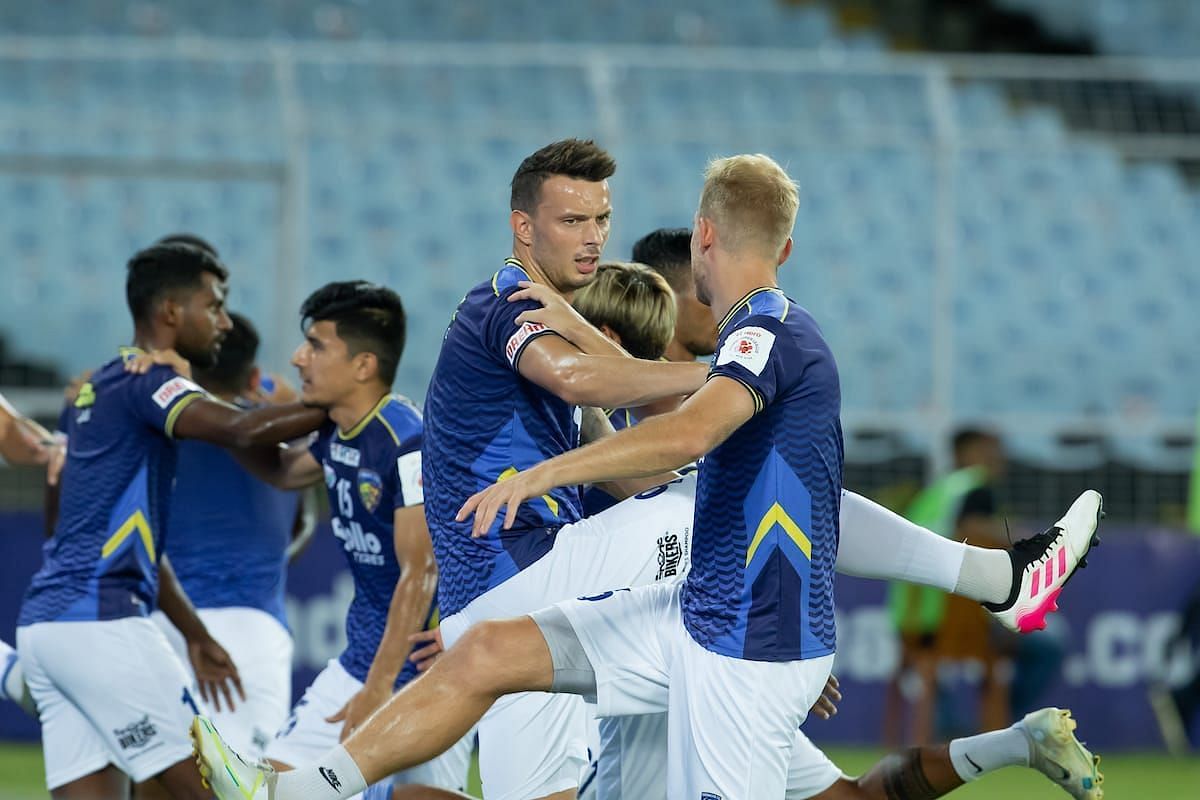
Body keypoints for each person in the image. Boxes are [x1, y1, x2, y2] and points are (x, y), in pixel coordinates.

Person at [194, 154, 1104, 800]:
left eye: (601, 220)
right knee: (503, 648)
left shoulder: (742, 338)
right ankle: (1000, 584)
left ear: (708, 237)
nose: (595, 236)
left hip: (683, 630)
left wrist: (567, 464)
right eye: (576, 221)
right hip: (617, 598)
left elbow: (655, 435)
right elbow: (628, 407)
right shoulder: (567, 314)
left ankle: (1001, 585)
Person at [16, 241, 327, 799]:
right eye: (213, 306)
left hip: (47, 626)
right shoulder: (150, 384)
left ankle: (13, 673)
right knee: (226, 790)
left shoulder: (97, 386)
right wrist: (346, 402)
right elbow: (241, 432)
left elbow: (69, 528)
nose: (223, 321)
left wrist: (194, 634)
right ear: (169, 313)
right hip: (103, 625)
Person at [227, 281, 473, 796]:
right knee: (268, 786)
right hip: (362, 656)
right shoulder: (337, 432)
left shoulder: (405, 441)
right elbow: (282, 472)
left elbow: (422, 570)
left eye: (316, 345)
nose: (298, 358)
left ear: (363, 366)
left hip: (425, 669)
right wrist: (237, 424)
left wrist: (379, 688)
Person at [151, 311, 308, 760]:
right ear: (255, 373)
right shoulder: (283, 428)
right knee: (247, 783)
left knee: (161, 783)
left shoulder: (155, 429)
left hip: (166, 624)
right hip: (251, 632)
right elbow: (304, 521)